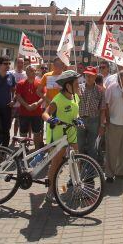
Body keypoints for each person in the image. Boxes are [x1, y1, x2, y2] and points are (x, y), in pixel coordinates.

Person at [41, 70, 83, 203]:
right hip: (58, 134)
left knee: (77, 160)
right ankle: (50, 191)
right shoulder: (58, 99)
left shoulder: (76, 97)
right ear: (68, 85)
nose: (78, 85)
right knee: (56, 163)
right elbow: (45, 114)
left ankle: (77, 185)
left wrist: (78, 119)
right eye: (76, 83)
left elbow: (75, 113)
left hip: (71, 132)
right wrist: (50, 120)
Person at [77, 66, 106, 162]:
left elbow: (102, 110)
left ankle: (91, 170)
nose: (88, 78)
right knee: (79, 145)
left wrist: (102, 125)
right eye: (87, 75)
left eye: (91, 76)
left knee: (92, 147)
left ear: (95, 76)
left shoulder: (100, 91)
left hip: (94, 121)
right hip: (80, 120)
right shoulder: (78, 89)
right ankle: (80, 168)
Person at [15, 65, 45, 150]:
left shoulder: (40, 83)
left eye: (34, 71)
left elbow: (44, 95)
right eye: (31, 70)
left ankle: (37, 151)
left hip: (37, 112)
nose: (33, 72)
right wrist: (26, 105)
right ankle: (22, 150)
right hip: (24, 112)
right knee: (23, 133)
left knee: (37, 133)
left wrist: (37, 104)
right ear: (27, 72)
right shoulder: (21, 83)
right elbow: (18, 96)